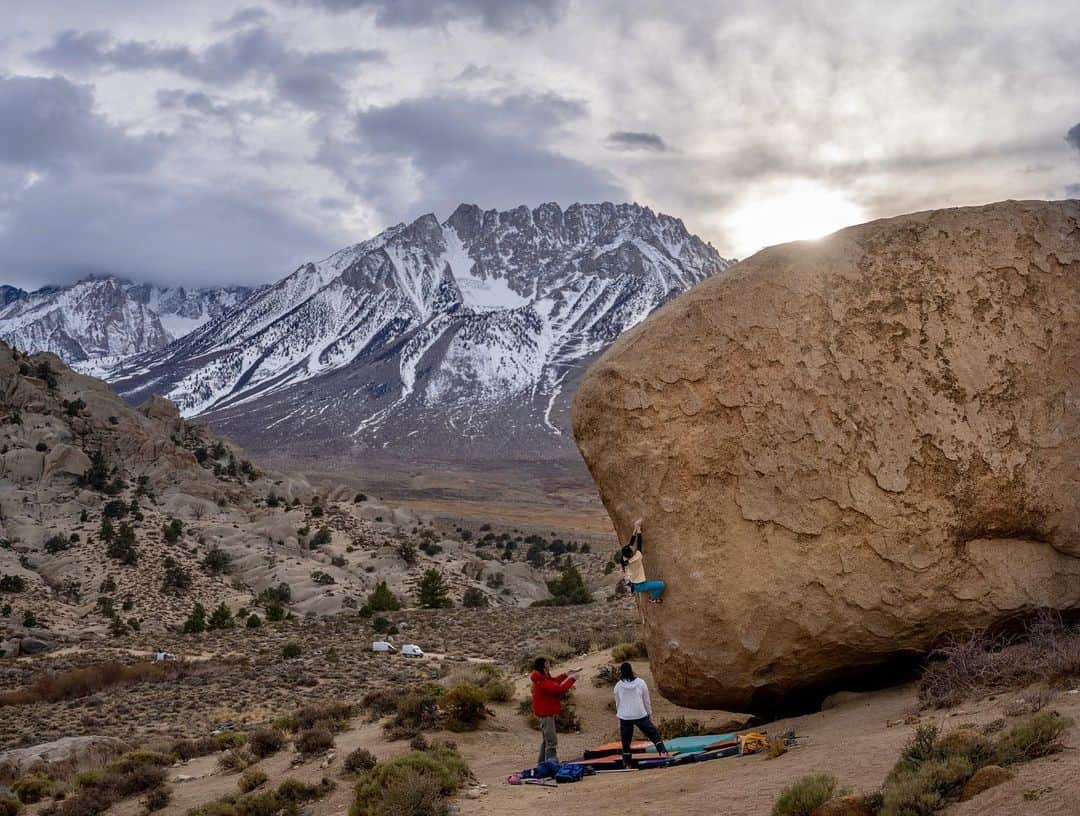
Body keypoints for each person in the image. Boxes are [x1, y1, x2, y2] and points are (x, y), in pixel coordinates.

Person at [613, 662, 667, 766]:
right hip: (639, 713)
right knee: (653, 733)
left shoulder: (618, 686)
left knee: (626, 739)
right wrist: (649, 713)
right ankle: (663, 752)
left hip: (625, 715)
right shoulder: (641, 683)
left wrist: (620, 714)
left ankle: (627, 762)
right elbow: (646, 700)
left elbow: (617, 702)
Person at [529, 657, 579, 764]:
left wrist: (566, 675)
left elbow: (554, 681)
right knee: (551, 741)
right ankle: (551, 765)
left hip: (546, 712)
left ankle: (542, 764)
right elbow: (559, 689)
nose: (549, 664)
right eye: (547, 663)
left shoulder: (543, 677)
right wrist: (572, 679)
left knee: (546, 741)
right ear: (543, 666)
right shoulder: (541, 680)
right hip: (545, 713)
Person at [621, 518, 665, 603]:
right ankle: (653, 598)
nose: (633, 548)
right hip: (640, 586)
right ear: (631, 554)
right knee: (661, 585)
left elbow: (631, 543)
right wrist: (638, 529)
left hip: (634, 583)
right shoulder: (636, 559)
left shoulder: (624, 558)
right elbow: (639, 543)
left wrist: (635, 529)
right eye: (633, 550)